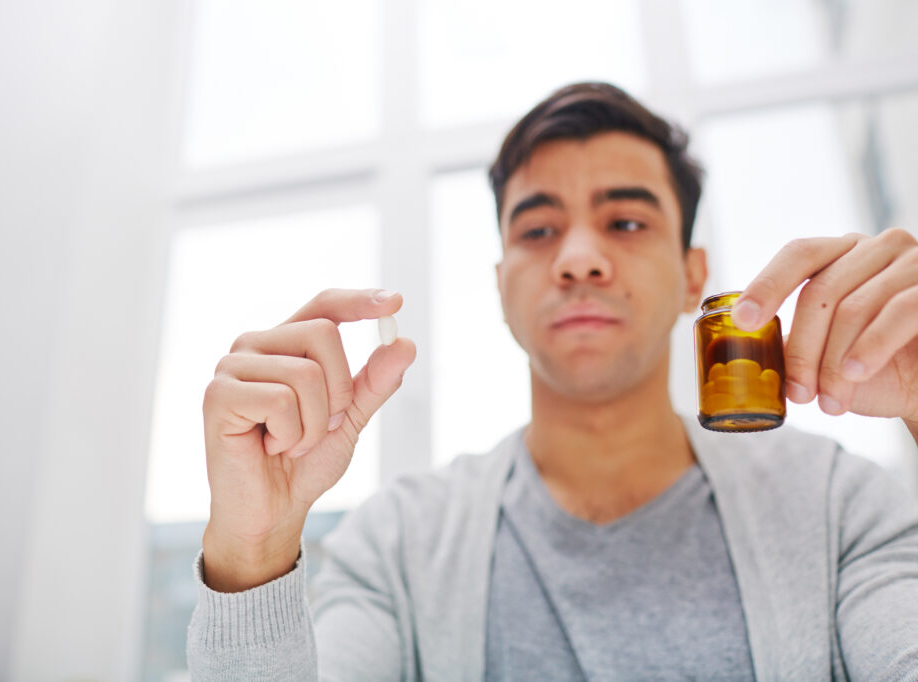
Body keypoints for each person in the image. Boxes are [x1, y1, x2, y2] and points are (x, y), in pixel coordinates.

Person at [187, 82, 918, 680]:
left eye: (626, 222)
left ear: (694, 275)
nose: (577, 259)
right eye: (537, 230)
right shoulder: (400, 542)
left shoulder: (837, 505)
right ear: (502, 285)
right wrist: (252, 553)